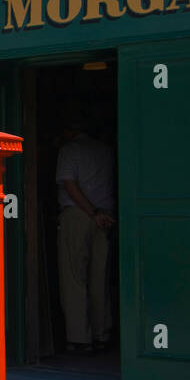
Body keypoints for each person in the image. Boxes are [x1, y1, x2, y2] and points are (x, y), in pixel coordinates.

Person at [55, 117, 116, 354]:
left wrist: (91, 212)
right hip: (106, 216)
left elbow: (69, 184)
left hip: (79, 214)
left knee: (75, 277)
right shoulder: (106, 149)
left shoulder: (69, 150)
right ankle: (102, 333)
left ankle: (80, 337)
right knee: (100, 276)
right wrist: (100, 213)